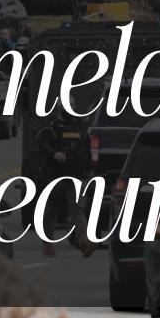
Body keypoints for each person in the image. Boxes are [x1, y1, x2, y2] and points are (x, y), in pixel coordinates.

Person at [36, 104, 96, 258]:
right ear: (59, 108)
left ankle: (84, 242)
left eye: (73, 105)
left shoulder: (79, 127)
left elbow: (86, 149)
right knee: (51, 210)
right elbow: (42, 145)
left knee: (77, 209)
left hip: (75, 175)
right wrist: (54, 154)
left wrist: (89, 167)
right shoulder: (50, 128)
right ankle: (48, 243)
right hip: (55, 176)